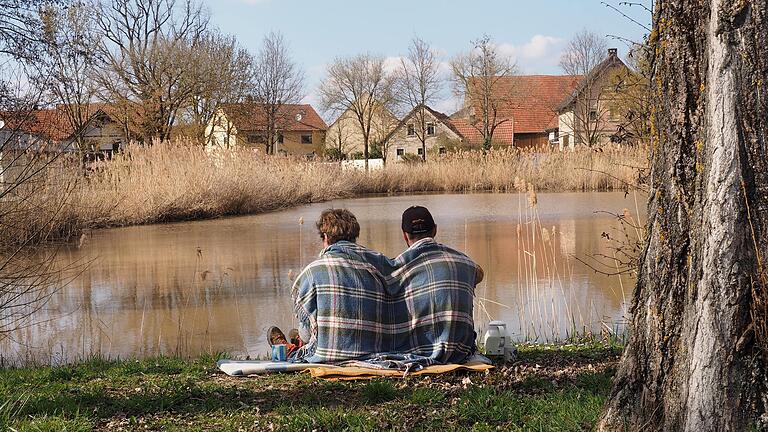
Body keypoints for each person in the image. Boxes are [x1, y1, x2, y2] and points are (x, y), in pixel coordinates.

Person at [280, 208, 396, 363]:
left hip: (327, 356)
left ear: (326, 237)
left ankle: (293, 349)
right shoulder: (378, 265)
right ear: (354, 236)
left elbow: (306, 334)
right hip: (373, 352)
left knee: (303, 334)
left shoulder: (311, 272)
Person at [388, 205, 484, 364]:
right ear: (435, 230)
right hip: (461, 351)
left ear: (405, 236)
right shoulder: (465, 262)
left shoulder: (396, 268)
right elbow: (479, 275)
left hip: (415, 351)